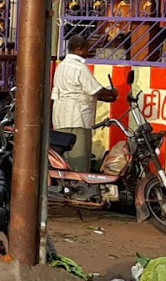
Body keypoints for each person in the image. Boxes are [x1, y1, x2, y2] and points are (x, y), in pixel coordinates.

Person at [50, 32, 118, 174]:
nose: (88, 51)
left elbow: (81, 91)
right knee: (78, 159)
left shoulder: (61, 66)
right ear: (80, 49)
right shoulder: (79, 68)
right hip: (77, 119)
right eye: (87, 48)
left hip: (61, 117)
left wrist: (104, 97)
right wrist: (112, 92)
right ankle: (79, 188)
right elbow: (96, 89)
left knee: (65, 157)